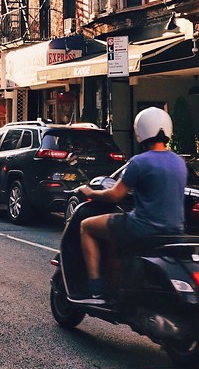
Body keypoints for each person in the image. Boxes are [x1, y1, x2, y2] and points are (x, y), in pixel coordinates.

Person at [77, 107, 187, 302]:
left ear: (141, 131)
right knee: (115, 238)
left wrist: (90, 192)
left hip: (142, 227)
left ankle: (95, 287)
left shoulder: (139, 162)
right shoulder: (179, 162)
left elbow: (115, 195)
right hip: (174, 229)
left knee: (86, 226)